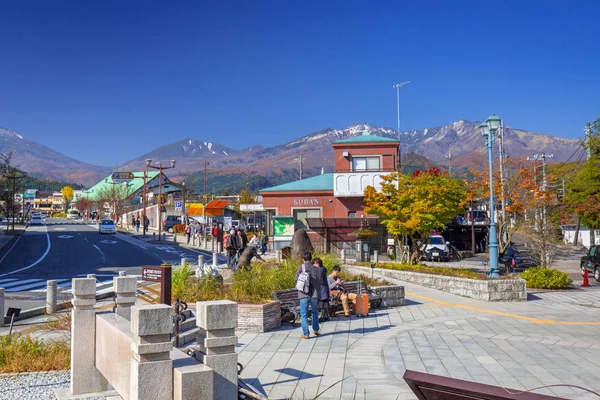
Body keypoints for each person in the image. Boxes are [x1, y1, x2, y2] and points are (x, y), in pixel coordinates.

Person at [295, 252, 321, 339]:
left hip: (303, 294)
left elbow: (296, 279)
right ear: (311, 258)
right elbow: (319, 281)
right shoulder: (316, 269)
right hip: (314, 294)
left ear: (303, 259)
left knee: (304, 314)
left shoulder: (301, 267)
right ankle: (316, 329)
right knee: (314, 312)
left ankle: (306, 333)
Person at [313, 258, 330, 322]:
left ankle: (323, 316)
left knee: (323, 303)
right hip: (321, 289)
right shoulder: (319, 269)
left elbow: (318, 277)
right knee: (323, 303)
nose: (315, 265)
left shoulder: (322, 269)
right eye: (314, 263)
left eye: (316, 263)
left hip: (323, 289)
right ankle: (325, 316)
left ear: (319, 263)